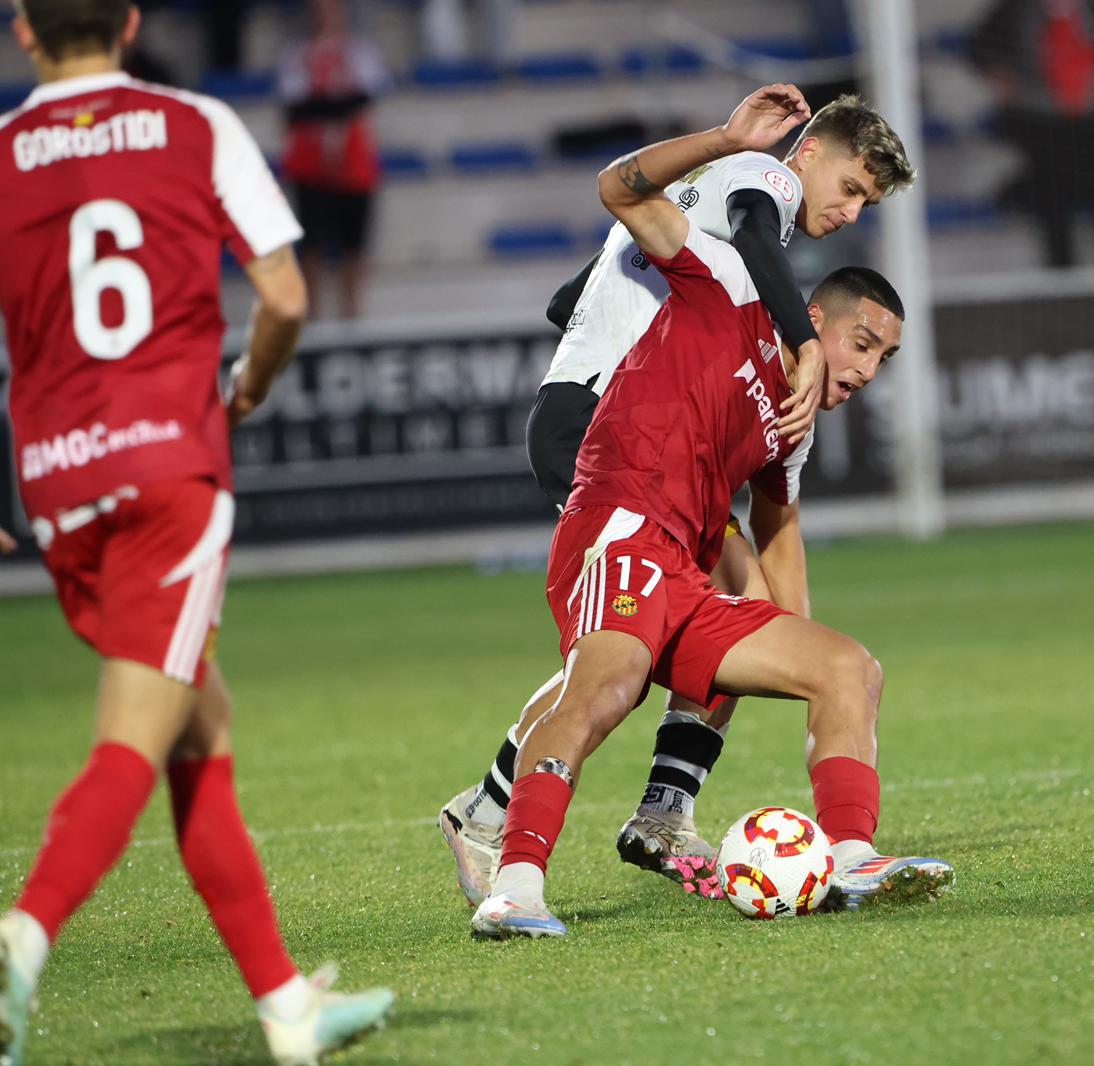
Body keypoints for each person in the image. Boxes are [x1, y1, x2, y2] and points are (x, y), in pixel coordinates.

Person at [0, 3, 393, 1063]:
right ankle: (22, 936)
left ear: (24, 32)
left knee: (197, 727)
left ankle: (285, 1007)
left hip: (56, 488)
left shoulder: (2, 156)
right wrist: (249, 386)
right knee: (135, 733)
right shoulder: (195, 125)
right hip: (167, 470)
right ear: (129, 24)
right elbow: (283, 294)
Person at [468, 83, 953, 939]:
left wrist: (795, 650)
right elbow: (620, 190)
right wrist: (727, 137)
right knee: (609, 683)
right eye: (862, 343)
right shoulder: (727, 272)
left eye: (886, 358)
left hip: (683, 562)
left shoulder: (792, 425)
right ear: (813, 317)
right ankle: (515, 881)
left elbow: (781, 528)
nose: (870, 369)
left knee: (850, 669)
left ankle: (850, 860)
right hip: (621, 520)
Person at [969, 0, 1094, 268]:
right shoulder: (1016, 10)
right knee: (1053, 201)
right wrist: (999, 73)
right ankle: (1062, 273)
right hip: (1042, 124)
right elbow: (980, 46)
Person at [277, 0, 387, 320]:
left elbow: (363, 98)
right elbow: (296, 107)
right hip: (311, 169)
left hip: (353, 168)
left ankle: (351, 317)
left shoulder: (358, 52)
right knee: (311, 249)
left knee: (354, 250)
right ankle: (313, 321)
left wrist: (325, 106)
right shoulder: (297, 55)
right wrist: (336, 106)